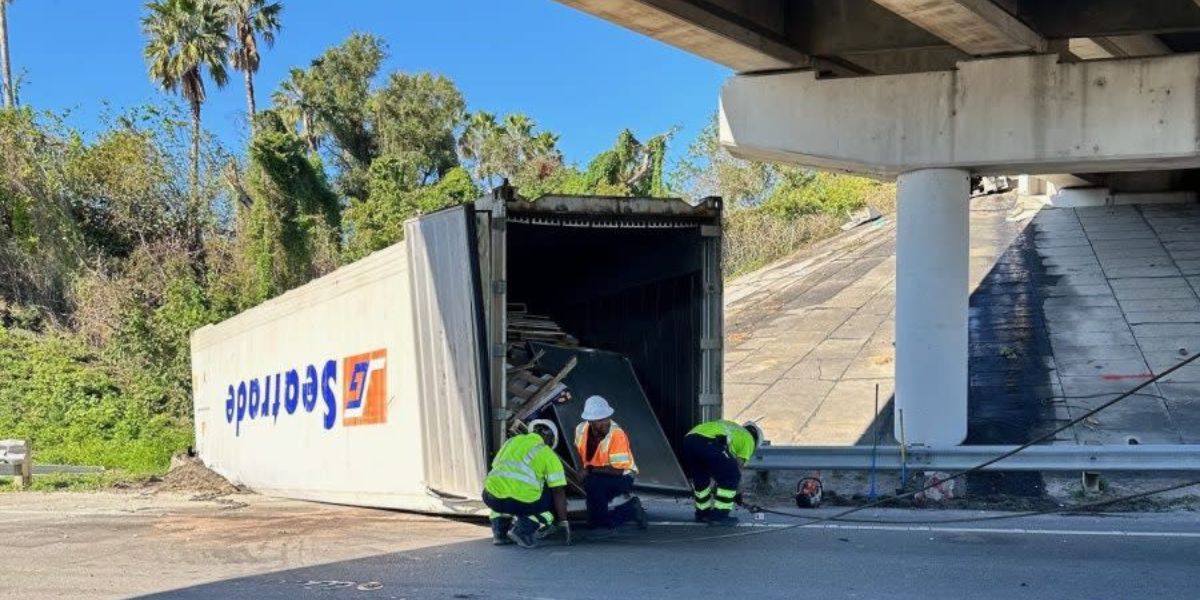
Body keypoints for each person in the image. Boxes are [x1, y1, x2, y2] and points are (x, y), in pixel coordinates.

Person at [481, 419, 570, 548]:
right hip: (520, 503)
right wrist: (563, 523)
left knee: (502, 494)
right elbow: (558, 491)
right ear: (551, 439)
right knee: (551, 500)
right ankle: (522, 531)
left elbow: (496, 466)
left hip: (491, 497)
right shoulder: (547, 453)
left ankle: (500, 534)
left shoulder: (510, 442)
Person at [574, 395, 648, 530]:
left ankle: (631, 509)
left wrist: (588, 470)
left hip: (622, 476)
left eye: (606, 418)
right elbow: (583, 456)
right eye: (600, 420)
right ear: (590, 421)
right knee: (595, 519)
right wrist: (584, 472)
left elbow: (618, 470)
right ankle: (599, 518)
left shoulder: (617, 434)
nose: (605, 422)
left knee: (594, 485)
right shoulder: (581, 429)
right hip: (597, 475)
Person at [680, 419, 762, 526]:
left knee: (702, 479)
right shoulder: (749, 440)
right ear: (756, 440)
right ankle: (720, 516)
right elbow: (734, 470)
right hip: (709, 442)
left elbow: (719, 469)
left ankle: (702, 513)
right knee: (731, 476)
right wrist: (736, 494)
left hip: (690, 440)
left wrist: (720, 486)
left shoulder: (734, 428)